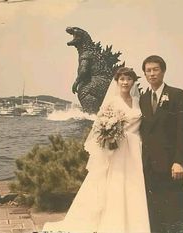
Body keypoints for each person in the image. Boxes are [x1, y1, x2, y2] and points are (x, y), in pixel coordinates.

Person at [43, 67, 151, 233]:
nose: (125, 82)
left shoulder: (137, 101)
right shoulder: (112, 102)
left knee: (133, 184)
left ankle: (134, 224)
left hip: (135, 148)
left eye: (129, 79)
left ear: (133, 81)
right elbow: (99, 126)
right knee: (115, 182)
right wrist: (110, 135)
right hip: (118, 147)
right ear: (117, 81)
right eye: (122, 79)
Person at [139, 55, 183, 233]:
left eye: (155, 69)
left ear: (163, 71)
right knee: (154, 213)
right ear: (144, 74)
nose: (152, 74)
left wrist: (179, 161)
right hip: (149, 166)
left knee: (174, 212)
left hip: (170, 164)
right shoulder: (143, 99)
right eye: (148, 71)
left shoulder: (177, 95)